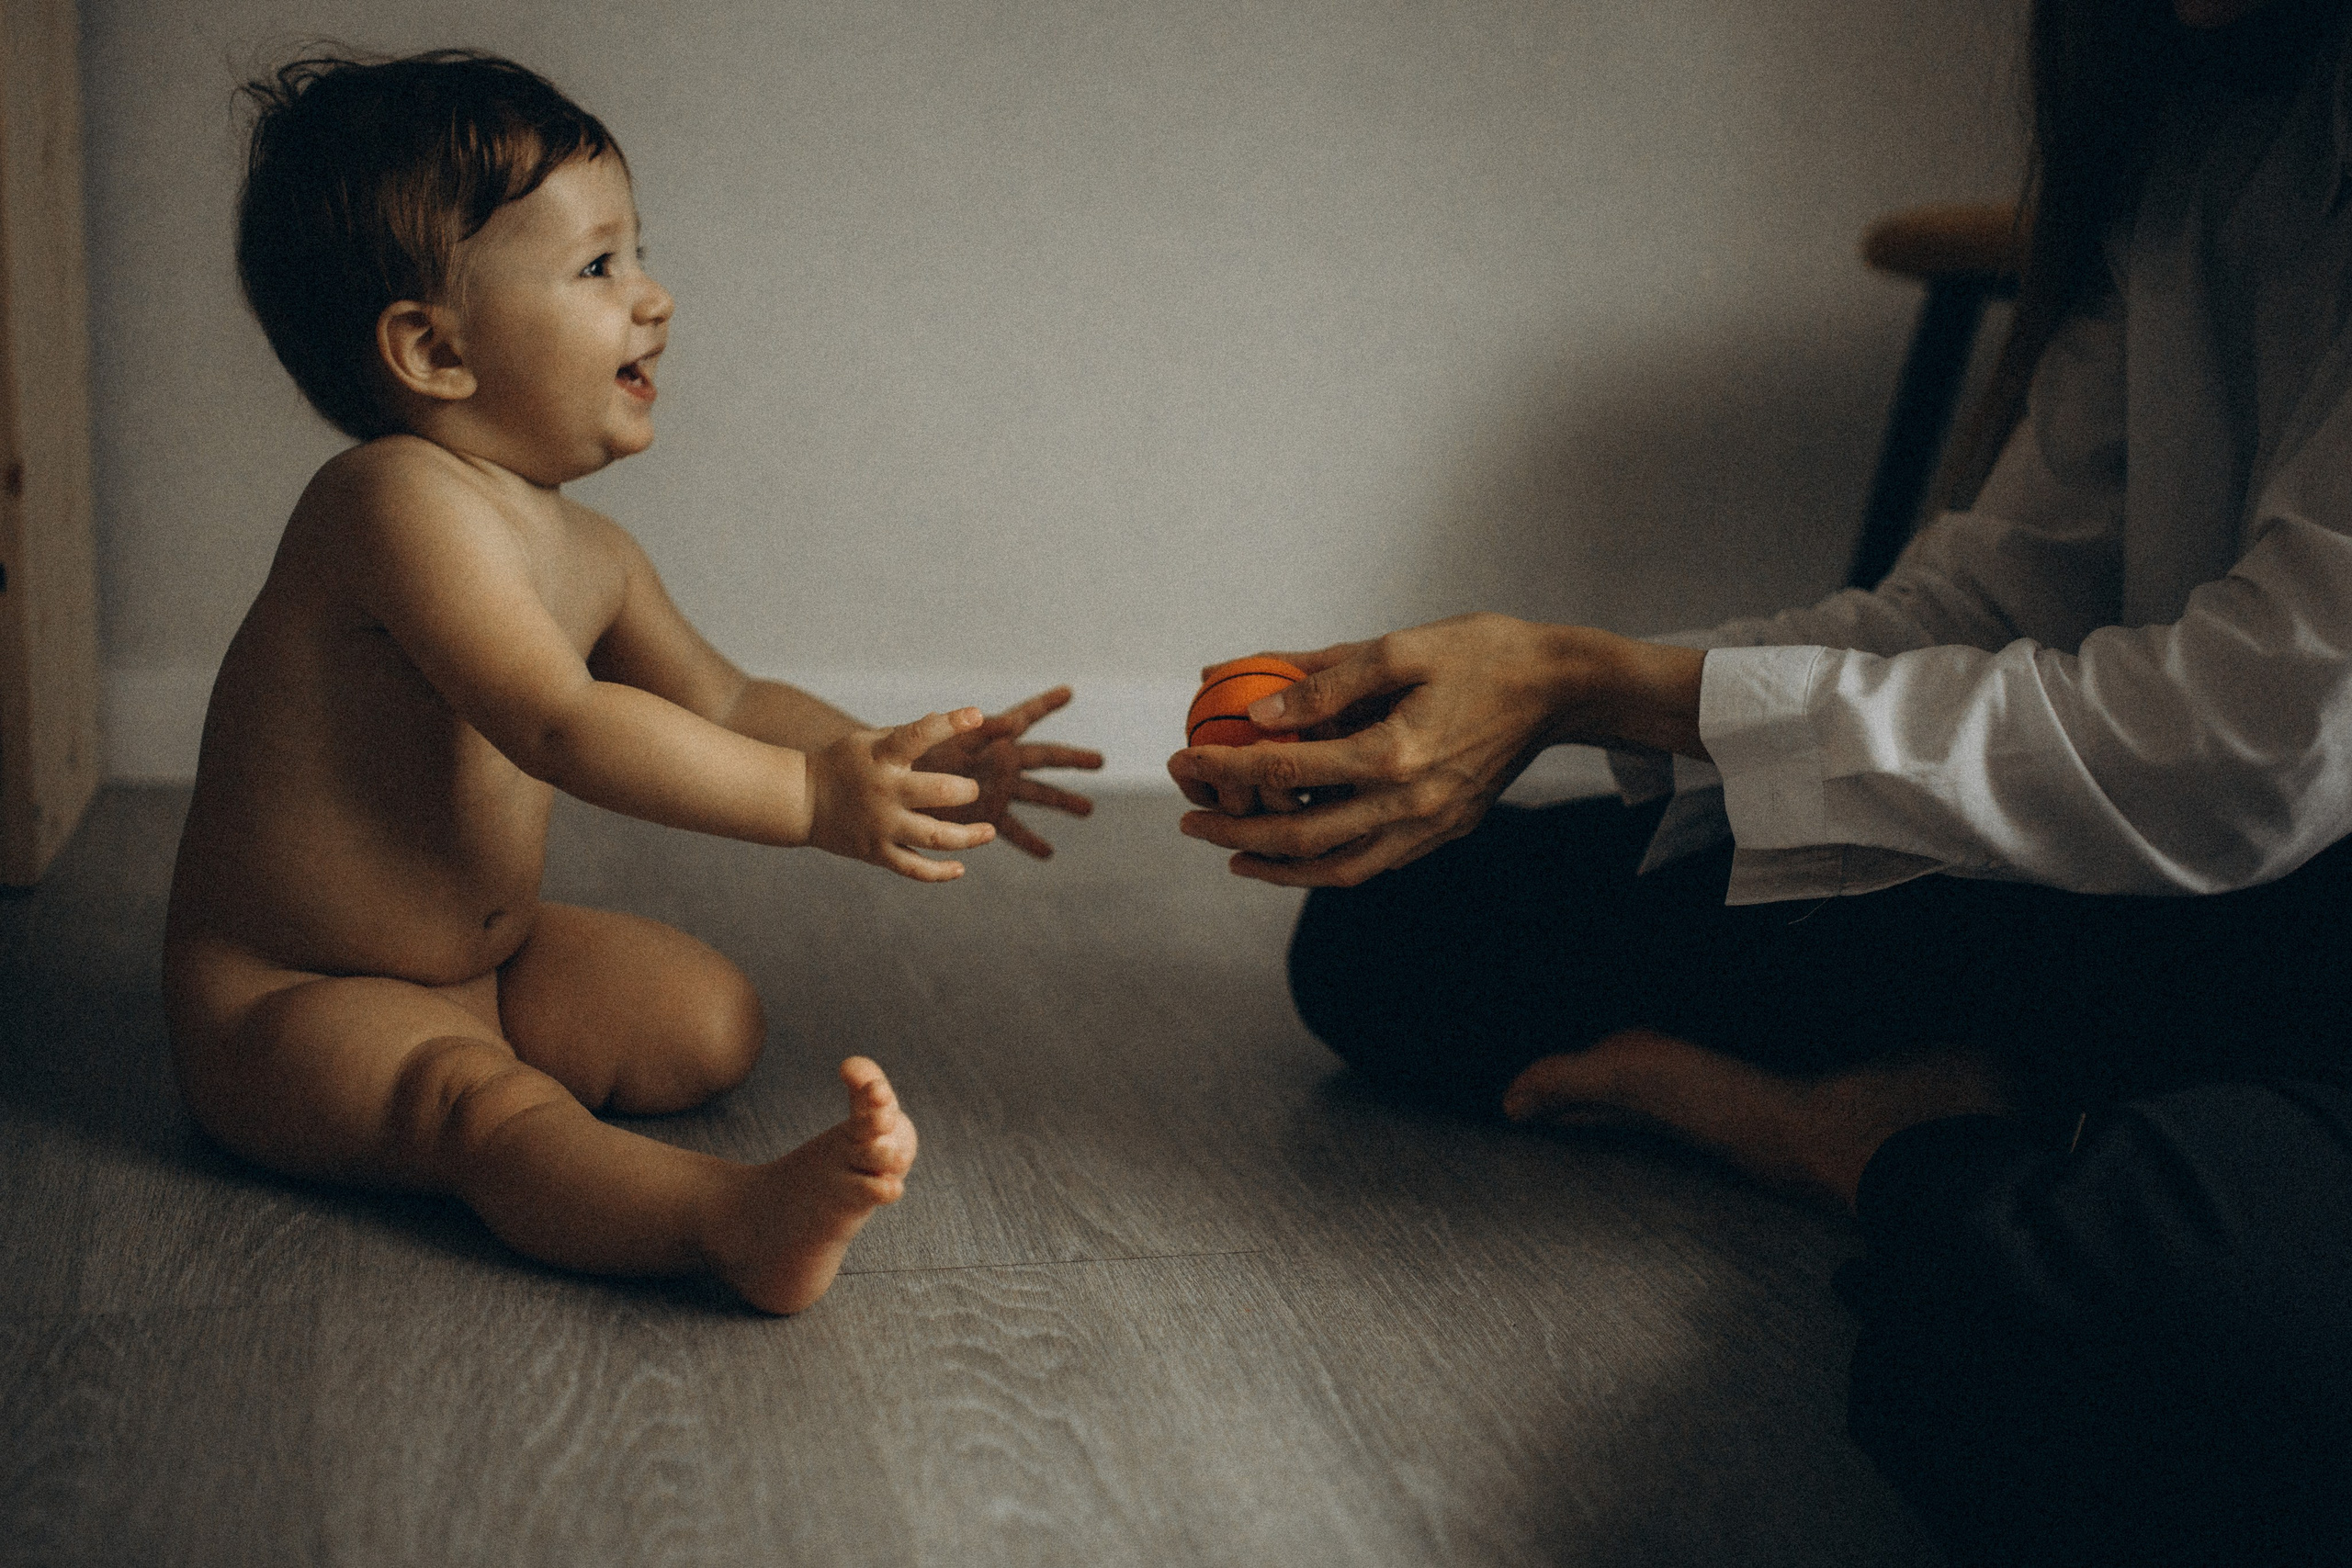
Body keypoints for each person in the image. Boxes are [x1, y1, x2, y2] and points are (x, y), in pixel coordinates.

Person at [1171, 0, 2352, 1561]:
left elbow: (2250, 751)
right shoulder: (2202, 128)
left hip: (2308, 948)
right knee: (1404, 943)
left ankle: (1849, 1138)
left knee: (2063, 1342)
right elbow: (1983, 615)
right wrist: (1539, 701)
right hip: (2150, 893)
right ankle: (2042, 1113)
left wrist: (1589, 682)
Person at [164, 51, 1102, 1316]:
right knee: (482, 1108)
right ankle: (720, 1222)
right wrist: (811, 803)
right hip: (292, 997)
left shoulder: (592, 550)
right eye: (598, 267)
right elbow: (558, 721)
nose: (652, 299)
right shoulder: (391, 503)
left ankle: (534, 1069)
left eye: (639, 254)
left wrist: (893, 758)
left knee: (709, 1021)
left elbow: (721, 703)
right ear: (434, 349)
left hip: (484, 964)